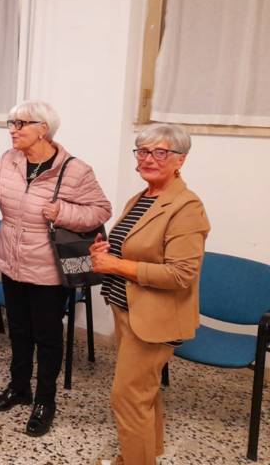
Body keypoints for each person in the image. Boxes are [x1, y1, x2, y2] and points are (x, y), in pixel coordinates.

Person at [0, 100, 111, 437]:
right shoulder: (9, 160)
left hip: (48, 268)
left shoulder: (76, 170)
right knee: (19, 330)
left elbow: (100, 210)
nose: (13, 130)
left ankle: (45, 401)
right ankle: (19, 387)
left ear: (43, 129)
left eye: (21, 123)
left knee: (47, 337)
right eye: (11, 123)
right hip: (11, 260)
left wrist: (63, 212)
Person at [90, 124, 209, 465]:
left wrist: (116, 265)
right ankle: (149, 450)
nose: (149, 159)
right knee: (144, 390)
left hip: (155, 320)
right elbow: (135, 249)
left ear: (180, 160)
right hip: (126, 309)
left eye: (160, 152)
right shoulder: (142, 197)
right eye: (143, 151)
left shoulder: (187, 207)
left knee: (127, 397)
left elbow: (181, 274)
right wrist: (105, 252)